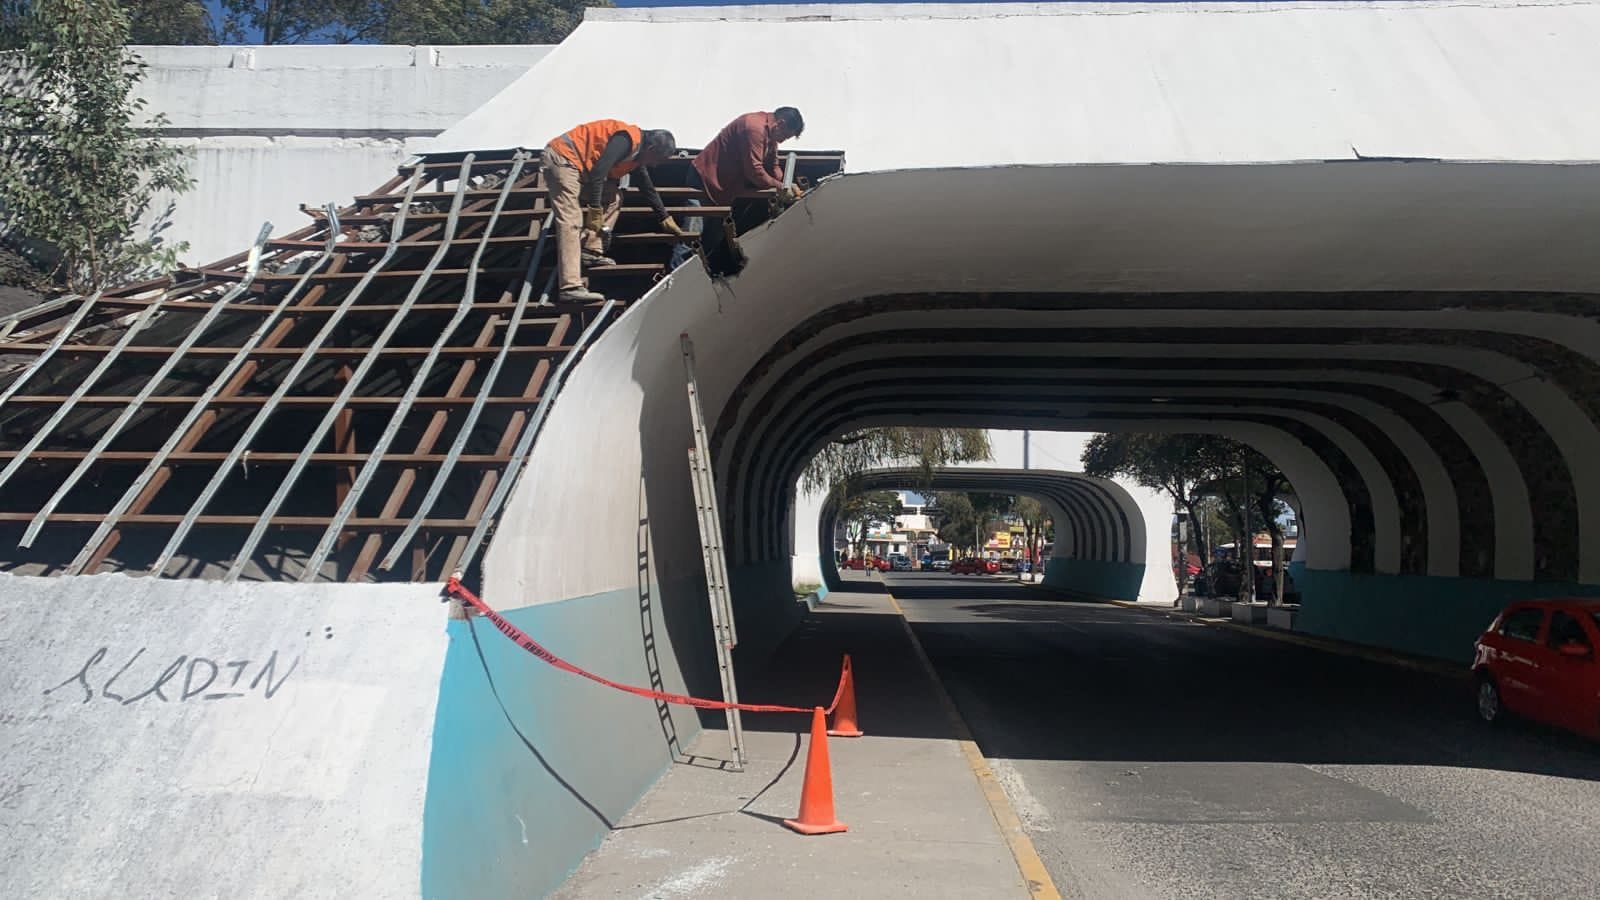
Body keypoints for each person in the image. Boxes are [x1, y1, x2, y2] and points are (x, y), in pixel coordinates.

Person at [542, 119, 683, 302]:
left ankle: (590, 250)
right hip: (563, 158)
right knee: (571, 219)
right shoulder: (626, 140)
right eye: (657, 160)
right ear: (651, 149)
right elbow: (599, 173)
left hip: (580, 168)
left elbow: (646, 187)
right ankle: (570, 286)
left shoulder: (637, 156)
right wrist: (594, 207)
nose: (655, 165)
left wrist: (664, 217)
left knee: (614, 197)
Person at [680, 107, 805, 275]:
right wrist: (780, 187)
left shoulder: (770, 135)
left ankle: (694, 279)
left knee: (711, 240)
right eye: (785, 136)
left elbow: (772, 165)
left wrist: (787, 185)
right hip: (704, 181)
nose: (782, 141)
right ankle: (672, 281)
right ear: (780, 124)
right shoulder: (754, 128)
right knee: (691, 236)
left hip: (722, 190)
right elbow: (754, 171)